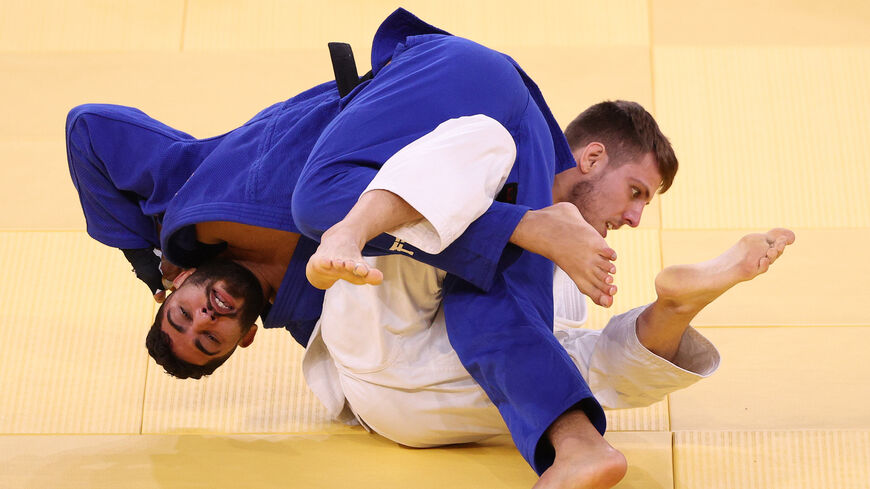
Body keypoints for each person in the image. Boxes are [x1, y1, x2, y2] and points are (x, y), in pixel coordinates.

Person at [66, 8, 681, 486]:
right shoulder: (313, 313)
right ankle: (579, 448)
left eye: (183, 313)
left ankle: (524, 227)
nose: (207, 317)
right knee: (484, 304)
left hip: (446, 82)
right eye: (209, 340)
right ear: (244, 339)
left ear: (177, 287)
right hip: (502, 162)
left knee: (320, 199)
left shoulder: (185, 197)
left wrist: (144, 256)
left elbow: (88, 127)